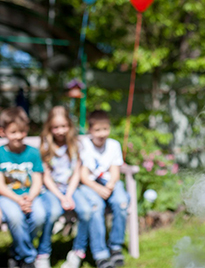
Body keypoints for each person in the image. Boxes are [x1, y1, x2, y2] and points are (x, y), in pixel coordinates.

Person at [38, 106, 92, 268]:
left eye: (63, 126)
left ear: (69, 126)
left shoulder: (75, 145)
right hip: (51, 190)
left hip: (71, 188)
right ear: (50, 127)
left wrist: (68, 194)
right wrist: (61, 197)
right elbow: (45, 177)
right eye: (56, 127)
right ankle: (43, 253)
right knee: (53, 212)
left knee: (86, 211)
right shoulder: (46, 145)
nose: (60, 131)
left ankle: (78, 252)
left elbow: (76, 173)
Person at [79, 110, 129, 268]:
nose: (102, 134)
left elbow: (115, 171)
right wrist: (98, 189)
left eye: (105, 129)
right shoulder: (83, 145)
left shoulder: (114, 145)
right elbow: (83, 175)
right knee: (96, 207)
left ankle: (115, 247)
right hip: (89, 185)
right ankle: (100, 253)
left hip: (109, 183)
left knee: (121, 202)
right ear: (90, 130)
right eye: (97, 130)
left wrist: (111, 184)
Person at [0, 107, 47, 268]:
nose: (18, 136)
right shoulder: (0, 153)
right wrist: (18, 199)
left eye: (22, 131)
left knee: (40, 216)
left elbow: (37, 180)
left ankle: (16, 251)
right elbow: (0, 186)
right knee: (15, 217)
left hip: (31, 196)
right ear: (3, 132)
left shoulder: (33, 153)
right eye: (13, 132)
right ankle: (28, 258)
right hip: (8, 197)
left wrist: (30, 198)